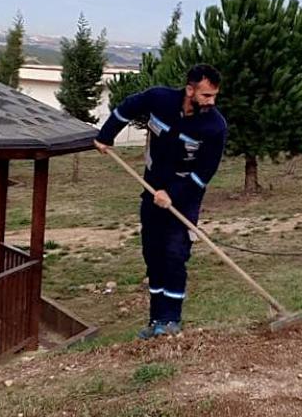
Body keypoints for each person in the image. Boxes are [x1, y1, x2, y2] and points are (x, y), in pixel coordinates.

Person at [94, 65, 227, 339]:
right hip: (151, 189)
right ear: (190, 90)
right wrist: (106, 136)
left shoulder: (214, 126)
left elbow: (204, 174)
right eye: (206, 95)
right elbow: (126, 109)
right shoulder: (159, 99)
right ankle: (155, 319)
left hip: (185, 197)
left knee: (175, 254)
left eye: (214, 96)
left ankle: (171, 320)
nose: (211, 102)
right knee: (152, 254)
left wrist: (173, 196)